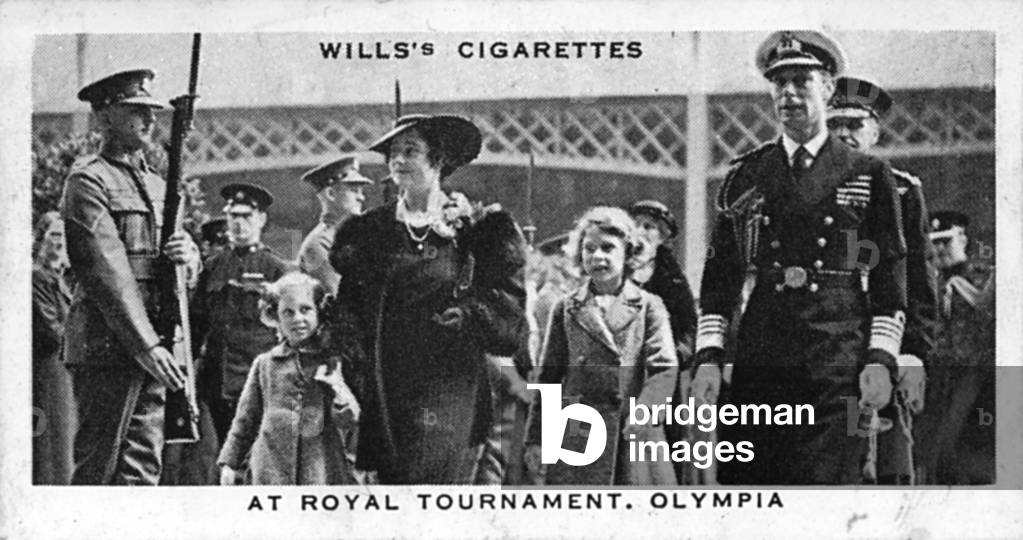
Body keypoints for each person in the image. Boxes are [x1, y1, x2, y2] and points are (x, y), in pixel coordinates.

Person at [690, 31, 909, 484]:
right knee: (753, 491)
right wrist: (708, 356)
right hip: (761, 357)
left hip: (837, 359)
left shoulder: (868, 173)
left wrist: (880, 358)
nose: (788, 93)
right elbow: (721, 276)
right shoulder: (747, 174)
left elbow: (889, 275)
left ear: (827, 88)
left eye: (801, 81)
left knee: (826, 490)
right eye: (779, 82)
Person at [328, 114, 527, 484]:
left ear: (438, 160)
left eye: (410, 151)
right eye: (393, 153)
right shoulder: (370, 231)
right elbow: (349, 309)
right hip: (389, 387)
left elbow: (508, 310)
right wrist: (355, 367)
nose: (398, 160)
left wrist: (470, 315)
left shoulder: (475, 228)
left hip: (450, 385)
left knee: (440, 489)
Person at [60, 69, 200, 484]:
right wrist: (147, 346)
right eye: (136, 110)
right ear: (105, 117)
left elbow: (176, 270)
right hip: (108, 347)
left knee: (141, 469)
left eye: (151, 110)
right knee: (99, 467)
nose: (150, 119)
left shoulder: (159, 186)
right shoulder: (88, 180)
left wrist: (188, 257)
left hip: (154, 341)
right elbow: (106, 270)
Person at [827, 76, 938, 484]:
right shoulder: (805, 193)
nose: (843, 134)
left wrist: (913, 353)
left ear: (874, 132)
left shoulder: (902, 190)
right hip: (826, 345)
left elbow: (919, 278)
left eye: (854, 125)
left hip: (884, 342)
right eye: (834, 124)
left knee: (887, 465)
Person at [524, 207, 678, 485]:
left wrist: (646, 411)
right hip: (579, 429)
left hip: (632, 429)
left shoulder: (649, 306)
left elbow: (664, 369)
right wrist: (536, 438)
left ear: (628, 253)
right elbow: (549, 378)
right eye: (589, 248)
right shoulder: (566, 308)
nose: (597, 256)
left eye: (608, 248)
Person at [218, 272, 360, 485]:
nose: (297, 319)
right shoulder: (265, 364)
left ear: (319, 312)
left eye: (305, 310)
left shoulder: (333, 363)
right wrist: (230, 463)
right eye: (288, 312)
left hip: (320, 470)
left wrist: (339, 390)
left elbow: (352, 422)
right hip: (270, 471)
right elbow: (245, 421)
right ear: (276, 317)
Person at [192, 183, 292, 448]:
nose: (238, 223)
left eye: (246, 216)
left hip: (258, 380)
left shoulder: (276, 269)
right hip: (217, 382)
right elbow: (196, 323)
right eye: (233, 216)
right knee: (226, 452)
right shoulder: (212, 267)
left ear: (261, 219)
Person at [913, 211, 995, 484]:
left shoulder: (983, 277)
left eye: (946, 241)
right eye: (934, 242)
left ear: (963, 239)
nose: (939, 249)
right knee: (927, 450)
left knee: (956, 448)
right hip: (936, 379)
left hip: (974, 377)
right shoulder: (926, 281)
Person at [627, 200, 699, 484]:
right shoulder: (616, 269)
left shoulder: (673, 280)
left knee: (663, 450)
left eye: (649, 227)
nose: (641, 232)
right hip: (621, 374)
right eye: (637, 225)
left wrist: (672, 357)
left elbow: (689, 329)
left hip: (660, 377)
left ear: (662, 237)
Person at [31, 212, 75, 485]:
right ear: (41, 240)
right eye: (54, 235)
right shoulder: (37, 278)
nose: (60, 242)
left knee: (65, 438)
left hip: (64, 369)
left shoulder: (61, 280)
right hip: (50, 371)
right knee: (55, 442)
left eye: (64, 236)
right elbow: (52, 330)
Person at [297, 155, 374, 294]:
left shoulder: (358, 237)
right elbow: (338, 294)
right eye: (354, 190)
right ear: (331, 194)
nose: (361, 198)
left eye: (361, 191)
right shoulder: (318, 245)